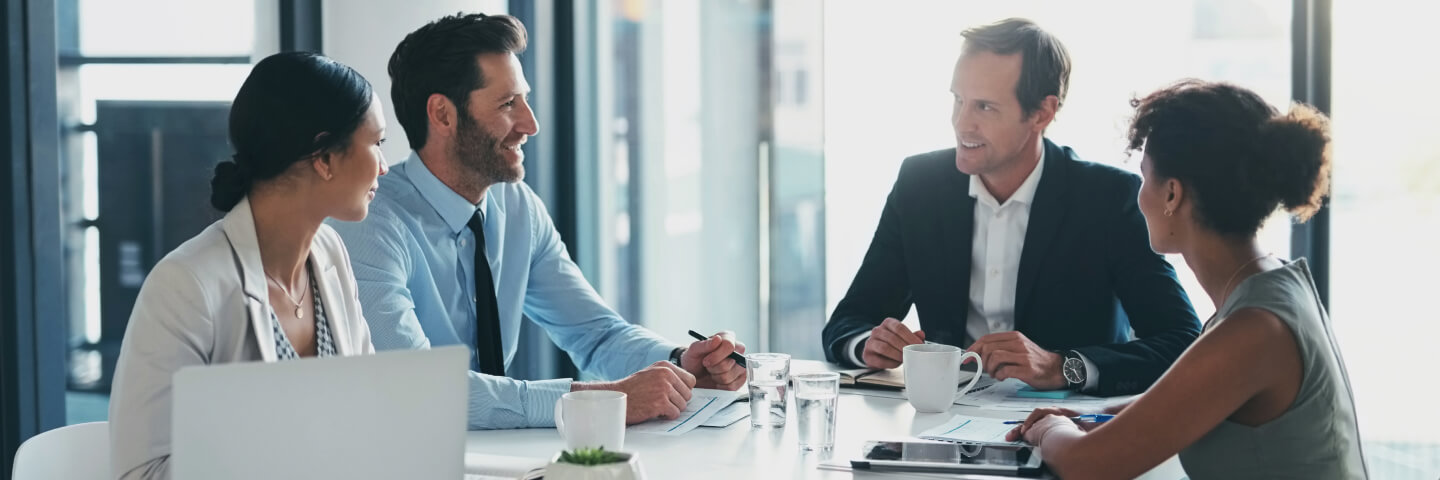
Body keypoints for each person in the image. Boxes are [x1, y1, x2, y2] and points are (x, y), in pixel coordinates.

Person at [327, 13, 745, 430]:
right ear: (443, 115)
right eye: (508, 104)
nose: (531, 124)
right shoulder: (370, 224)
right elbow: (420, 389)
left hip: (506, 458)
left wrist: (680, 364)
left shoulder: (517, 207)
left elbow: (595, 334)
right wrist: (597, 400)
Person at [1006, 80, 1367, 479]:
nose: (1140, 195)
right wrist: (1088, 414)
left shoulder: (1253, 330)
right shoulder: (1270, 285)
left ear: (1172, 194)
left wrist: (1048, 428)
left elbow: (1086, 464)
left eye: (1144, 177)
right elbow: (1181, 401)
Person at [820, 18, 1200, 396]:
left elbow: (1181, 339)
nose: (961, 123)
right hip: (941, 423)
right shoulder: (920, 184)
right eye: (958, 100)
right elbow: (848, 323)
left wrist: (1062, 366)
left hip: (1066, 430)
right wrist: (868, 343)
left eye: (984, 107)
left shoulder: (1107, 197)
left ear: (1042, 114)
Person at [108, 52, 387, 479]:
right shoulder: (186, 286)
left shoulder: (330, 253)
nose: (384, 166)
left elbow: (367, 411)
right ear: (325, 157)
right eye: (377, 143)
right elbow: (140, 473)